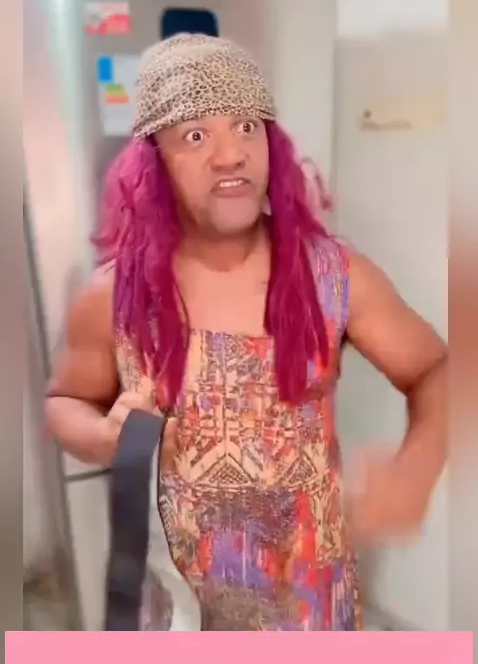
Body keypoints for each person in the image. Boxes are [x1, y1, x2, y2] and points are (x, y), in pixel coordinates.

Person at [46, 33, 447, 631]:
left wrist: (417, 469)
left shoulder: (335, 278)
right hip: (179, 608)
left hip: (311, 608)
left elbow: (438, 370)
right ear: (154, 161)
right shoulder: (114, 295)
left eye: (246, 127)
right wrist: (103, 438)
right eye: (196, 135)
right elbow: (65, 400)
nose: (231, 154)